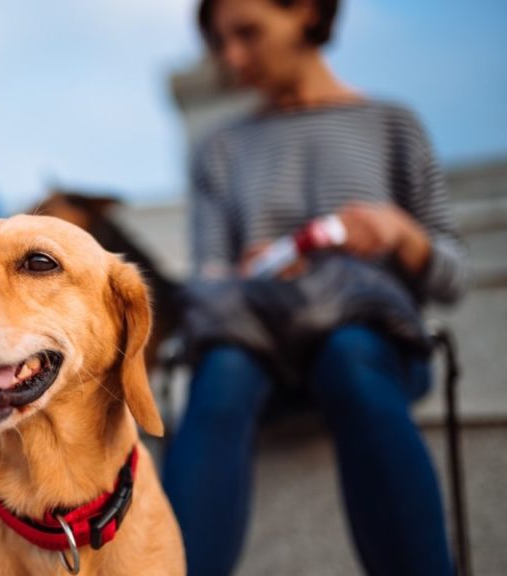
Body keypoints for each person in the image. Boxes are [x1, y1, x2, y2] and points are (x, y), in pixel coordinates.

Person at [161, 1, 465, 575]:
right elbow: (209, 279)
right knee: (223, 370)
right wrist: (250, 271)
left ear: (305, 12)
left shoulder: (392, 123)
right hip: (255, 347)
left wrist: (401, 233)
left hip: (364, 345)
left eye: (248, 34)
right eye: (221, 43)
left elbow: (453, 276)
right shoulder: (219, 149)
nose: (233, 58)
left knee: (350, 354)